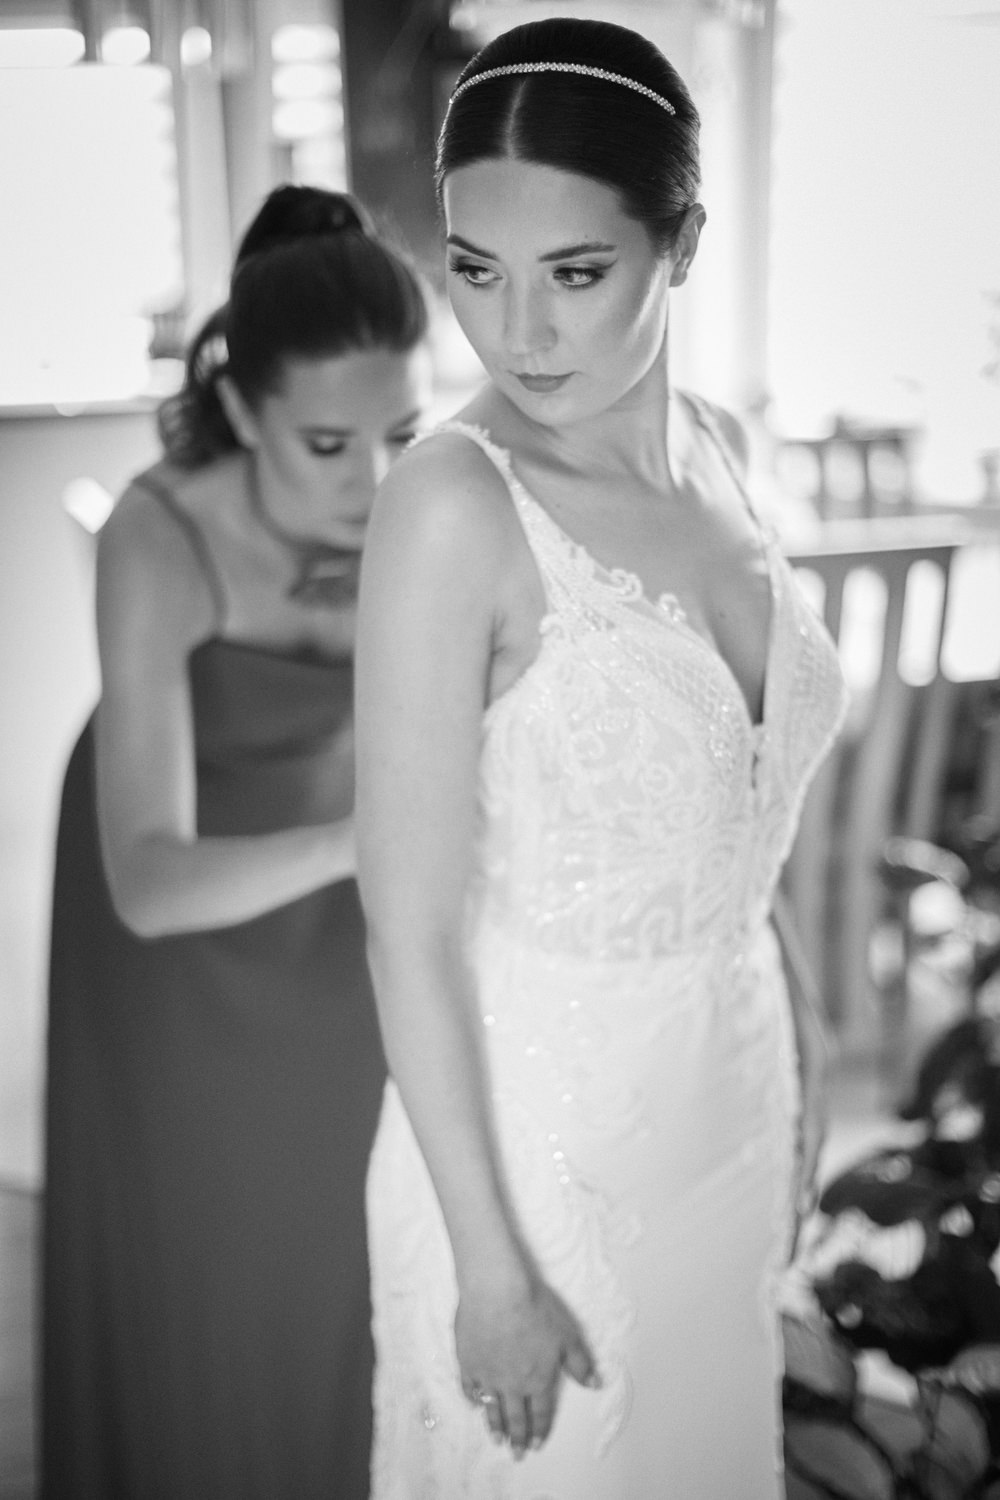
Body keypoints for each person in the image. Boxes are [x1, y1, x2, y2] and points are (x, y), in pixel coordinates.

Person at [354, 17, 849, 1499]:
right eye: (476, 272)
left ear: (679, 243)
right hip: (537, 1163)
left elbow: (740, 818)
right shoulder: (451, 505)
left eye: (575, 273)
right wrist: (490, 1268)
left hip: (737, 1097)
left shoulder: (728, 448)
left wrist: (802, 1036)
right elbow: (404, 926)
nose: (519, 335)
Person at [40, 184, 431, 1500]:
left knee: (346, 1244)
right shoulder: (160, 534)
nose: (374, 481)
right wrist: (366, 840)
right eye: (327, 444)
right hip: (180, 908)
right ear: (244, 409)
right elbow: (147, 881)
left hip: (339, 894)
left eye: (402, 433)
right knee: (209, 1261)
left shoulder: (421, 503)